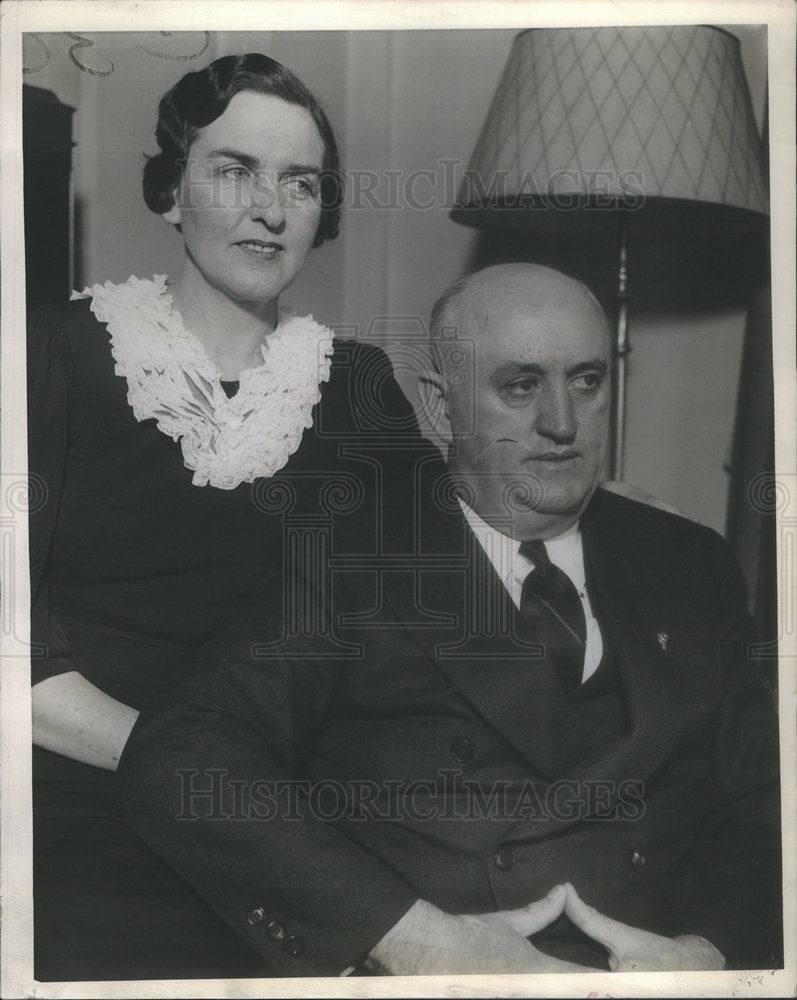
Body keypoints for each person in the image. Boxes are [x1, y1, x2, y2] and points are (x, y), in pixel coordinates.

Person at [119, 264, 782, 977]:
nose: (561, 423)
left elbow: (765, 803)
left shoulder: (686, 561)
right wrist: (413, 938)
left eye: (585, 381)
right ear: (440, 409)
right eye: (520, 386)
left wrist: (707, 954)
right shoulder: (353, 554)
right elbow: (181, 757)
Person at [28, 53, 439, 981]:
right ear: (171, 192)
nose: (270, 207)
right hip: (82, 805)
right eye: (233, 170)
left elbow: (431, 599)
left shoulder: (360, 387)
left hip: (298, 818)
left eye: (300, 182)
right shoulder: (55, 353)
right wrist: (195, 776)